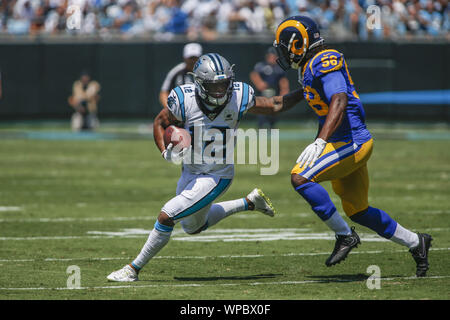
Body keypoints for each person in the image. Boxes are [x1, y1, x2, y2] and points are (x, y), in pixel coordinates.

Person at [107, 53, 304, 282]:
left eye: (224, 84)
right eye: (214, 85)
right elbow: (160, 122)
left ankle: (133, 269)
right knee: (192, 228)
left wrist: (304, 91)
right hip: (190, 169)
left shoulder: (239, 96)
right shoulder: (184, 98)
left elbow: (273, 104)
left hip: (216, 175)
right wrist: (165, 152)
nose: (220, 91)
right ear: (200, 84)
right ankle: (249, 202)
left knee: (167, 215)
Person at [273, 16, 432, 277]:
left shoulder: (325, 60)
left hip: (351, 141)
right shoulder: (310, 67)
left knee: (300, 177)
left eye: (284, 45)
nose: (282, 52)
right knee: (358, 210)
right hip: (344, 142)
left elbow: (339, 99)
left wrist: (320, 141)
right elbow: (291, 103)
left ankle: (344, 236)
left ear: (297, 43)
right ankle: (417, 242)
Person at [250, 47, 290, 128]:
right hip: (262, 94)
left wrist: (284, 91)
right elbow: (254, 75)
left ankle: (272, 126)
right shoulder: (260, 66)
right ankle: (261, 126)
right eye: (270, 56)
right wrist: (260, 83)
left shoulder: (279, 68)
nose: (271, 58)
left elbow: (283, 81)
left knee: (273, 111)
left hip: (274, 93)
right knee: (262, 110)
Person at [159, 43, 203, 108]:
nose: (193, 61)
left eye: (195, 58)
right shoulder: (176, 72)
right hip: (181, 111)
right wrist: (170, 109)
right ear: (185, 58)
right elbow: (164, 93)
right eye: (191, 58)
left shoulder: (206, 72)